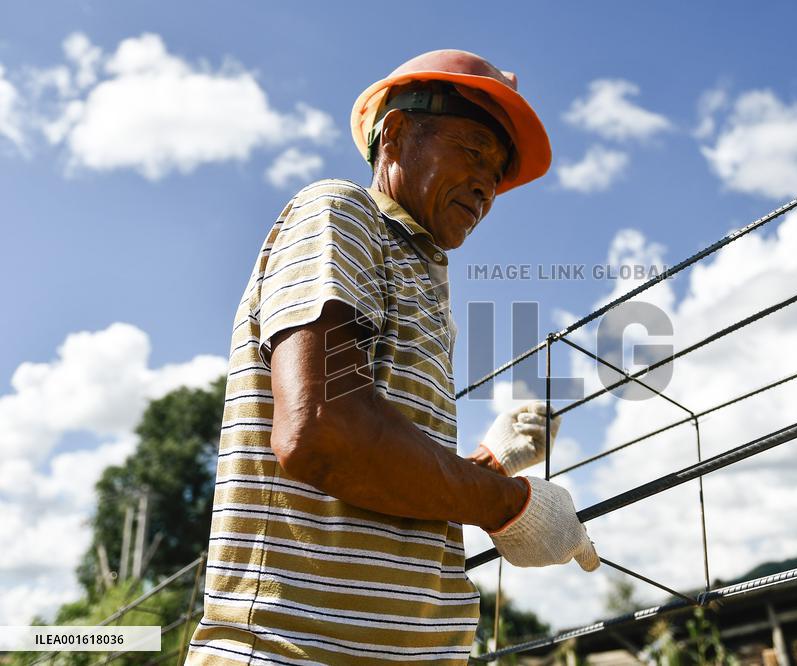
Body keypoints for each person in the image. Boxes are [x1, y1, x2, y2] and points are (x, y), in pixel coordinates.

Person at [186, 50, 598, 665]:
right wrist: (512, 506)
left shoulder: (418, 277)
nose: (488, 183)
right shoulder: (341, 214)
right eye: (475, 150)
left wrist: (492, 463)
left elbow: (383, 479)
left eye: (499, 173)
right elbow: (323, 433)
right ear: (399, 133)